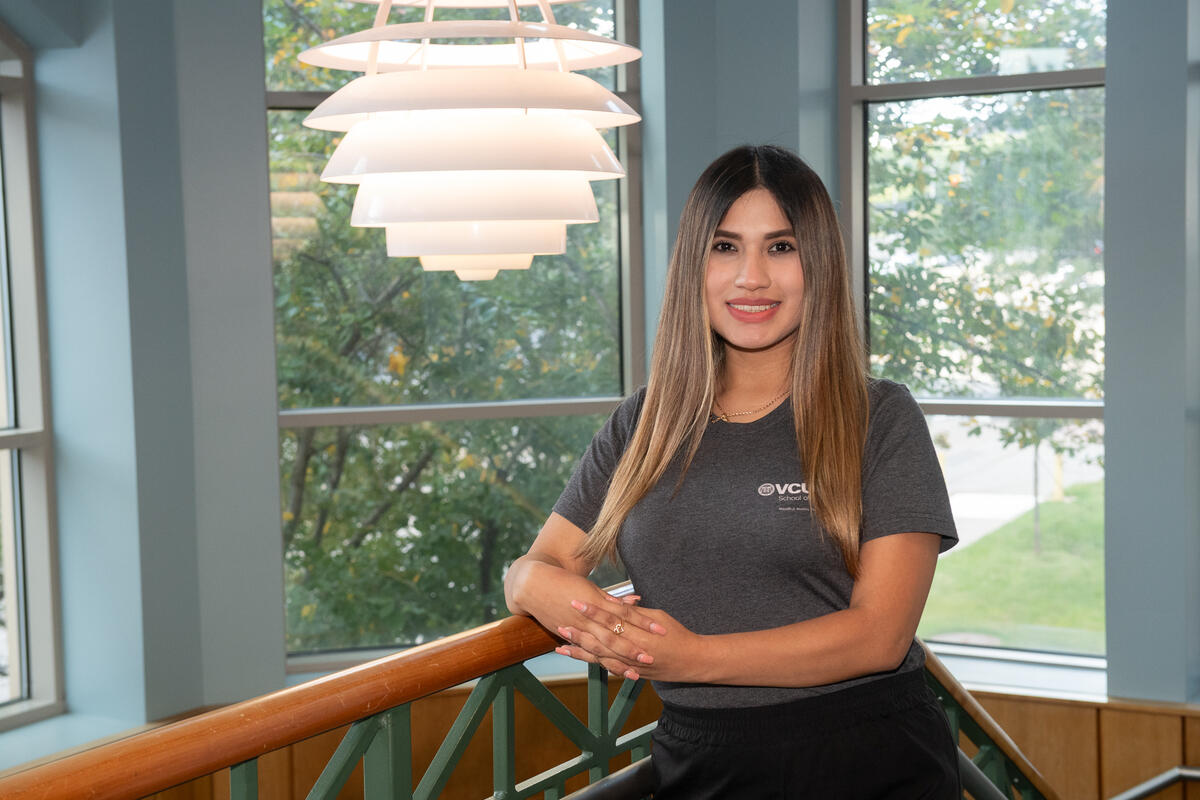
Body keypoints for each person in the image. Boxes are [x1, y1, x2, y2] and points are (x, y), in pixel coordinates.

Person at [503, 144, 960, 798]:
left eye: (781, 247)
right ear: (694, 264)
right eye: (725, 247)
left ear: (818, 263)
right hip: (697, 757)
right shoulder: (643, 425)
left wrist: (691, 657)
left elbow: (880, 636)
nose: (752, 277)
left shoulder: (879, 416)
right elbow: (544, 562)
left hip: (866, 757)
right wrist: (527, 582)